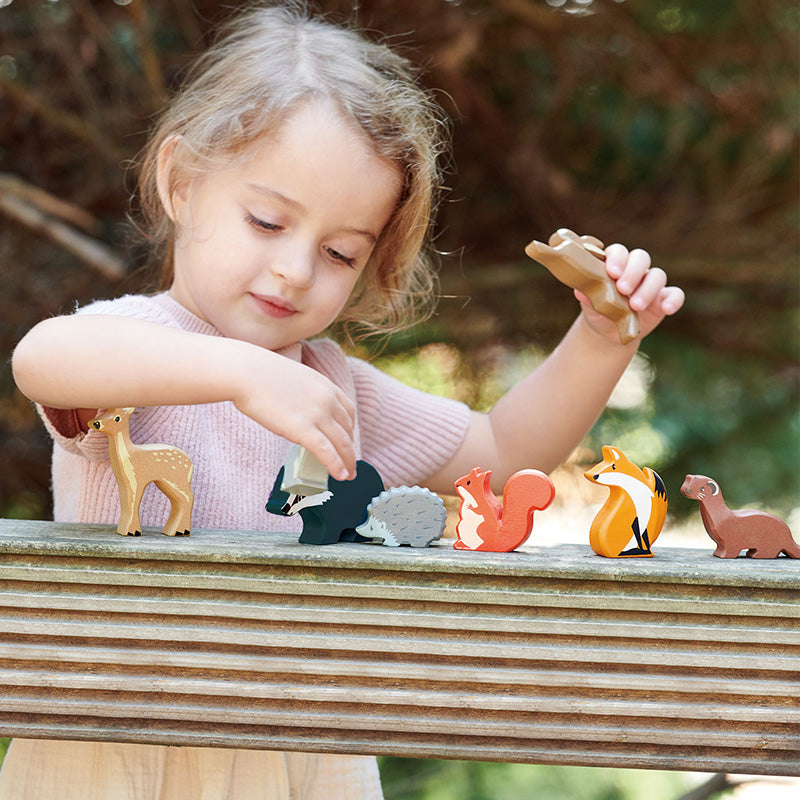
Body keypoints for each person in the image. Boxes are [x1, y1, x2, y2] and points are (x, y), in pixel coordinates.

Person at [8, 3, 684, 799]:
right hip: (117, 745)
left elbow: (503, 452)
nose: (296, 270)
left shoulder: (335, 386)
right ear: (182, 181)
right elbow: (43, 358)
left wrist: (605, 340)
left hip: (303, 749)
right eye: (266, 221)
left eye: (338, 252)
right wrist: (240, 372)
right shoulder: (138, 344)